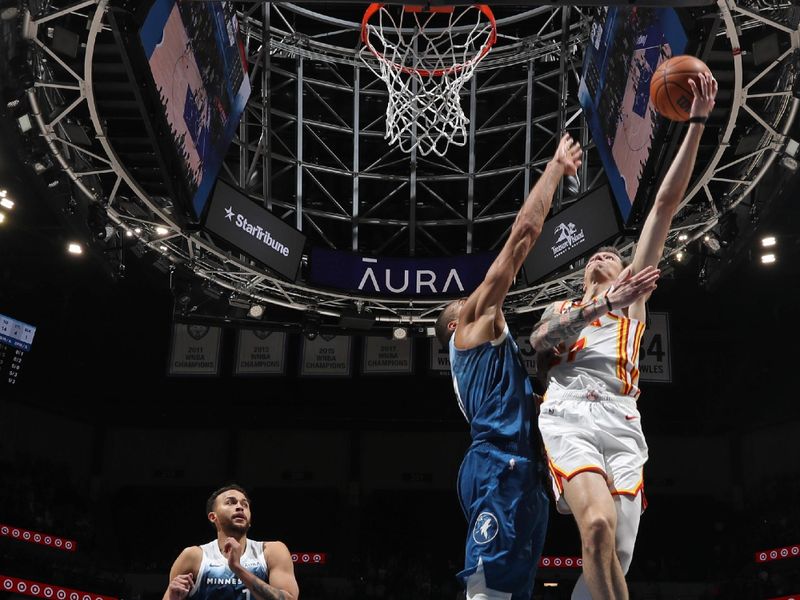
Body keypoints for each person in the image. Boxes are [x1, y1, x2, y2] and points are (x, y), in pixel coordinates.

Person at [530, 72, 717, 600]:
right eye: (598, 254)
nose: (604, 255)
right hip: (569, 413)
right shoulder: (564, 306)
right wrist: (601, 304)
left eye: (614, 254)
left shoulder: (634, 299)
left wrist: (697, 123)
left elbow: (663, 205)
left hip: (623, 420)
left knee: (617, 559)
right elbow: (541, 340)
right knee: (594, 529)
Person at [433, 133, 587, 600]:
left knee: (509, 589)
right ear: (458, 322)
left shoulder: (487, 360)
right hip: (500, 461)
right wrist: (556, 168)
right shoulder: (473, 328)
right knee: (490, 587)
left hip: (515, 465)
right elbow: (522, 236)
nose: (482, 296)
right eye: (469, 299)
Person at [163, 484, 299, 600]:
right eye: (230, 502)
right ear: (212, 517)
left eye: (244, 504)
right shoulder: (193, 556)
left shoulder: (271, 551)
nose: (240, 507)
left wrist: (237, 568)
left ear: (250, 520)